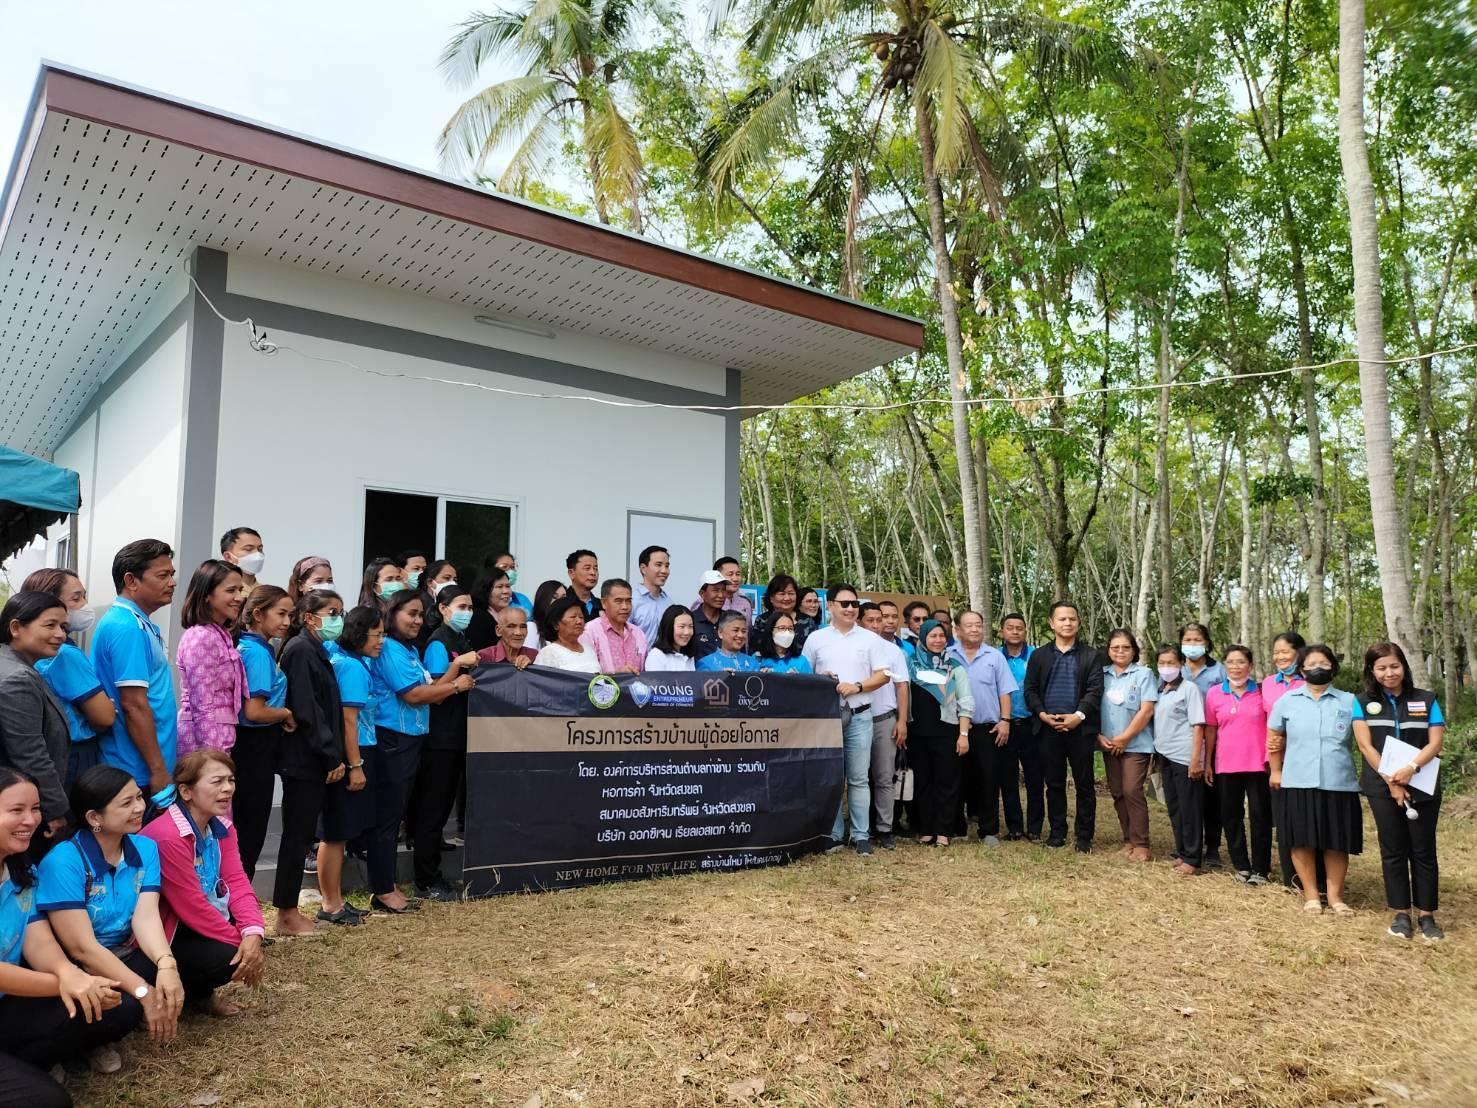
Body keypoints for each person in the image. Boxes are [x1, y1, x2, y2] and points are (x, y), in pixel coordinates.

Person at [0, 767, 140, 1103]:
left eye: (35, 809)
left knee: (119, 1006)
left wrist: (71, 974)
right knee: (50, 1101)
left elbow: (37, 937)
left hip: (9, 1005)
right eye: (16, 811)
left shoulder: (20, 869)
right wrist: (65, 983)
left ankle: (27, 1061)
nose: (31, 820)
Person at [37, 766, 185, 1054]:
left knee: (174, 964)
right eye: (126, 803)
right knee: (127, 1005)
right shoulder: (64, 860)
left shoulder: (145, 848)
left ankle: (105, 1027)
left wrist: (167, 963)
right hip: (75, 966)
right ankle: (68, 1050)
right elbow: (82, 950)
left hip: (122, 951)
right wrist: (143, 991)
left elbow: (145, 917)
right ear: (94, 817)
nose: (140, 807)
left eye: (139, 798)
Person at [370, 591, 475, 912]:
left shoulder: (409, 650)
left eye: (419, 614)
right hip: (394, 739)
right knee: (389, 818)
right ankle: (387, 889)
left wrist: (452, 675)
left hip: (413, 739)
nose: (416, 620)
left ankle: (388, 884)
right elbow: (415, 694)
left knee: (398, 814)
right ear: (392, 613)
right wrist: (456, 684)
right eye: (410, 614)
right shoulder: (388, 648)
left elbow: (432, 688)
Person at [140, 751, 266, 1017]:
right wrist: (242, 946)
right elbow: (191, 907)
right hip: (160, 933)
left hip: (192, 921)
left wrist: (253, 934)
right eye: (217, 781)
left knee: (242, 943)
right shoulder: (168, 837)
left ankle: (198, 996)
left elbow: (237, 882)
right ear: (186, 792)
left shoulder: (223, 827)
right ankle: (175, 994)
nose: (228, 788)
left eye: (231, 780)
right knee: (230, 955)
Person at [1350, 642, 1445, 942]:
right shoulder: (1361, 702)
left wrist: (1411, 769)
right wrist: (1391, 781)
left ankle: (1427, 915)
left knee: (1423, 849)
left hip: (1421, 782)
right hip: (1382, 786)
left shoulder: (1426, 700)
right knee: (1393, 849)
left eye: (1394, 666)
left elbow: (1435, 743)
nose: (1389, 673)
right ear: (1372, 671)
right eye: (1381, 668)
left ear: (1403, 666)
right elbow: (1365, 746)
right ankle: (1401, 912)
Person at [1266, 643, 1361, 915]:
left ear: (1333, 666)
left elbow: (1364, 741)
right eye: (1310, 664)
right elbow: (1274, 739)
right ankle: (1310, 895)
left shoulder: (1349, 701)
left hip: (1338, 781)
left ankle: (1335, 897)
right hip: (1298, 780)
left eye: (1323, 663)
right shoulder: (1287, 701)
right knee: (1302, 839)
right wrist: (1276, 770)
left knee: (1336, 841)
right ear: (1301, 668)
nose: (1317, 668)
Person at [274, 589, 348, 936]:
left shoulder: (316, 650)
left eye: (340, 612)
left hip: (313, 756)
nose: (338, 618)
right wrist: (329, 753)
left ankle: (288, 910)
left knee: (302, 834)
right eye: (331, 612)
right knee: (297, 836)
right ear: (309, 617)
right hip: (304, 758)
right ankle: (286, 913)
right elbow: (307, 709)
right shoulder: (301, 649)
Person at [801, 584, 893, 856]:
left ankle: (861, 834)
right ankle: (834, 834)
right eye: (844, 604)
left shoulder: (870, 639)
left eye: (854, 604)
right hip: (826, 720)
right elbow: (803, 676)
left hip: (861, 715)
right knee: (831, 779)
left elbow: (884, 675)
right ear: (830, 606)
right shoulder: (816, 639)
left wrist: (858, 686)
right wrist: (821, 679)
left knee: (858, 778)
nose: (851, 608)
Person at [90, 539, 178, 803]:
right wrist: (158, 769)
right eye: (163, 575)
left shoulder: (140, 622)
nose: (172, 582)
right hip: (135, 770)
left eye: (172, 574)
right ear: (131, 580)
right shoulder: (126, 626)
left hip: (144, 765)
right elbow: (133, 705)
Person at [412, 586, 480, 901]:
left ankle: (434, 873)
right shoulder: (439, 642)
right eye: (461, 605)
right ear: (442, 608)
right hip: (438, 738)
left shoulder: (461, 639)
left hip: (456, 736)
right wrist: (457, 670)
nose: (467, 611)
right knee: (432, 811)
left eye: (469, 606)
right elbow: (435, 692)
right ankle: (426, 880)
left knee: (441, 810)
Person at [318, 606, 382, 926]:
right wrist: (355, 764)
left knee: (337, 832)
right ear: (358, 634)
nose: (381, 641)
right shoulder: (353, 668)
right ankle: (331, 904)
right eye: (377, 634)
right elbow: (349, 720)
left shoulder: (338, 656)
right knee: (336, 833)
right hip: (352, 753)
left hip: (344, 753)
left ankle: (335, 900)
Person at [1023, 601, 1104, 851]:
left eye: (1072, 619)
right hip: (1048, 728)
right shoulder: (1039, 655)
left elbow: (1094, 690)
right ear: (1051, 623)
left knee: (1084, 785)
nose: (1067, 623)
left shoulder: (1091, 655)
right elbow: (1030, 689)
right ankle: (1057, 833)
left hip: (1080, 728)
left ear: (1078, 623)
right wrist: (1042, 714)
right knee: (1054, 784)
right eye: (1062, 619)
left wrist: (1078, 716)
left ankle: (1084, 837)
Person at [24, 569, 116, 791]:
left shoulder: (28, 652)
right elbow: (104, 718)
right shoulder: (64, 654)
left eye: (84, 596)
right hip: (76, 752)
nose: (84, 605)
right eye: (76, 598)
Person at [233, 587, 297, 879]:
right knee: (251, 831)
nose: (286, 621)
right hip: (254, 748)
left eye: (290, 614)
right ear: (258, 615)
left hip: (250, 749)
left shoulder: (251, 647)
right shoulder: (257, 653)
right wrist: (285, 713)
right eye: (281, 613)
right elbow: (254, 711)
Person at [0, 593, 73, 846]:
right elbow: (29, 752)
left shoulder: (14, 666)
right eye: (50, 625)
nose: (61, 635)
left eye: (63, 627)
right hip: (21, 808)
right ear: (16, 627)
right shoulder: (16, 677)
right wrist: (55, 810)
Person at [948, 611, 1017, 846]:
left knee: (989, 778)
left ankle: (989, 830)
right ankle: (956, 827)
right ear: (958, 629)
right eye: (969, 625)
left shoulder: (994, 656)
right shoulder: (947, 655)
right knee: (956, 778)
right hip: (954, 728)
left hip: (988, 728)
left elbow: (1004, 690)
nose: (975, 629)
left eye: (978, 624)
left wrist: (1005, 720)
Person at [1205, 645, 1272, 885]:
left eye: (1241, 662)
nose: (1236, 667)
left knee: (1260, 816)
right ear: (1225, 665)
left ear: (1250, 666)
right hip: (1226, 764)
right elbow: (1211, 729)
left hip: (1258, 764)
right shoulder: (1214, 693)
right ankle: (1241, 865)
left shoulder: (1262, 692)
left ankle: (1261, 869)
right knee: (1231, 816)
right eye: (1231, 662)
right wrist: (1208, 762)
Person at [907, 620, 975, 847]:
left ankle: (944, 831)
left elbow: (965, 702)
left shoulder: (955, 667)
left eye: (941, 636)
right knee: (923, 783)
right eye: (933, 636)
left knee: (946, 782)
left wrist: (963, 735)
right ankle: (927, 830)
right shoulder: (911, 665)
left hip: (947, 732)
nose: (938, 640)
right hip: (917, 734)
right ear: (923, 638)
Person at [174, 561, 248, 758]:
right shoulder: (202, 637)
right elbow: (202, 704)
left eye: (240, 590)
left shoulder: (219, 633)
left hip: (218, 740)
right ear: (206, 594)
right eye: (231, 590)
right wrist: (212, 758)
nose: (239, 598)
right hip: (204, 745)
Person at [1099, 629, 1156, 862]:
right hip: (1107, 743)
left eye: (1126, 647)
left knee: (1132, 790)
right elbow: (1093, 706)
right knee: (1118, 792)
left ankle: (1142, 843)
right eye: (1115, 647)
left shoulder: (1143, 674)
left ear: (1134, 650)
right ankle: (1128, 840)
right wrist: (1099, 736)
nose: (1120, 652)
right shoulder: (1101, 674)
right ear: (1108, 651)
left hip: (1136, 744)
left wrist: (1125, 738)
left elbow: (1147, 710)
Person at [1263, 631, 1313, 890]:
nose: (1280, 657)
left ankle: (1313, 876)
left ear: (1300, 653)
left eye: (1286, 652)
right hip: (1274, 762)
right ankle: (1290, 877)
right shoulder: (1268, 683)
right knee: (1283, 820)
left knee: (1305, 818)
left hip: (1305, 760)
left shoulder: (1310, 681)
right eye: (1276, 652)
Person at [1153, 644, 1208, 876]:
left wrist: (1196, 759)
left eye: (1172, 663)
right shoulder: (1160, 690)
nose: (1167, 668)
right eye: (1162, 663)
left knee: (1190, 808)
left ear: (1181, 665)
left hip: (1185, 757)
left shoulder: (1189, 689)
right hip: (1165, 755)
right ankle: (1182, 851)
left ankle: (1193, 858)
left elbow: (1198, 726)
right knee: (1174, 806)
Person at [858, 604, 907, 849]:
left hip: (884, 719)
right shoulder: (851, 648)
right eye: (870, 620)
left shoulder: (892, 651)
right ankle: (860, 829)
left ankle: (885, 829)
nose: (876, 624)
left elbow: (902, 687)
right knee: (857, 778)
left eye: (879, 620)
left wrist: (901, 721)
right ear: (859, 621)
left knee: (884, 778)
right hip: (855, 719)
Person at [1179, 623, 1226, 869]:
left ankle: (1212, 848)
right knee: (1189, 798)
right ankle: (1188, 844)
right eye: (1188, 639)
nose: (1192, 644)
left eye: (1197, 639)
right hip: (1181, 741)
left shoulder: (1219, 671)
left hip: (1214, 740)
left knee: (1211, 797)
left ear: (1207, 643)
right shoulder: (1176, 670)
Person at [997, 612, 1041, 841]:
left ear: (1025, 631)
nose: (1014, 631)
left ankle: (1034, 828)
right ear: (1002, 631)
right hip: (1003, 725)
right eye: (1010, 627)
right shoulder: (994, 656)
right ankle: (1014, 827)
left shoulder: (1036, 655)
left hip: (1032, 724)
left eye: (1019, 628)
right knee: (1007, 777)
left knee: (1035, 777)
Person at [581, 579, 648, 673]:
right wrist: (616, 675)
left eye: (628, 601)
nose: (625, 607)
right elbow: (586, 674)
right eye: (618, 601)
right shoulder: (590, 631)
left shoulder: (638, 633)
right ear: (604, 603)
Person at [533, 596, 601, 673]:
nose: (579, 621)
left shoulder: (589, 649)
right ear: (556, 624)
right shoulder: (548, 653)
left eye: (581, 617)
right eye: (573, 617)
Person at [759, 575, 817, 653]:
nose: (787, 598)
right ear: (771, 597)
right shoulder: (762, 620)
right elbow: (756, 650)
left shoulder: (808, 622)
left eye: (791, 593)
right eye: (782, 594)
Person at [465, 569, 514, 653]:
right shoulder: (478, 618)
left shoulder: (508, 615)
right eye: (500, 587)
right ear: (485, 590)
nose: (506, 591)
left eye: (508, 586)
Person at [631, 546, 672, 643]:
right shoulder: (632, 601)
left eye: (667, 566)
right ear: (643, 568)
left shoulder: (669, 602)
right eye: (658, 565)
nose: (664, 571)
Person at [754, 611, 815, 675]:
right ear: (771, 630)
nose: (787, 633)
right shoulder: (758, 658)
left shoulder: (801, 661)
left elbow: (810, 684)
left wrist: (798, 680)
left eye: (790, 629)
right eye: (782, 628)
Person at [645, 606, 697, 672]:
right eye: (682, 627)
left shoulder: (689, 655)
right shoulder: (656, 655)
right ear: (669, 628)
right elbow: (654, 681)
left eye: (690, 626)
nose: (687, 632)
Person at [701, 557, 753, 623]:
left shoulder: (745, 603)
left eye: (738, 574)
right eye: (730, 574)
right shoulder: (704, 602)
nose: (735, 579)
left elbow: (749, 632)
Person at [218, 527, 265, 597]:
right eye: (249, 549)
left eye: (260, 549)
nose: (257, 554)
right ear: (228, 557)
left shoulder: (267, 592)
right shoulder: (219, 590)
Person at [691, 572, 728, 660]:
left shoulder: (729, 619)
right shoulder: (691, 620)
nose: (721, 595)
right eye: (715, 590)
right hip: (699, 673)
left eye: (723, 590)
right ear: (702, 594)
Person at [527, 580, 567, 651]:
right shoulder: (532, 627)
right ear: (544, 600)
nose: (560, 602)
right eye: (554, 597)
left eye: (564, 598)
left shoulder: (566, 630)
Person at [565, 550, 602, 619]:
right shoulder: (561, 602)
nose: (593, 573)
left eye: (595, 568)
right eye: (587, 568)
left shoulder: (603, 606)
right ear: (571, 573)